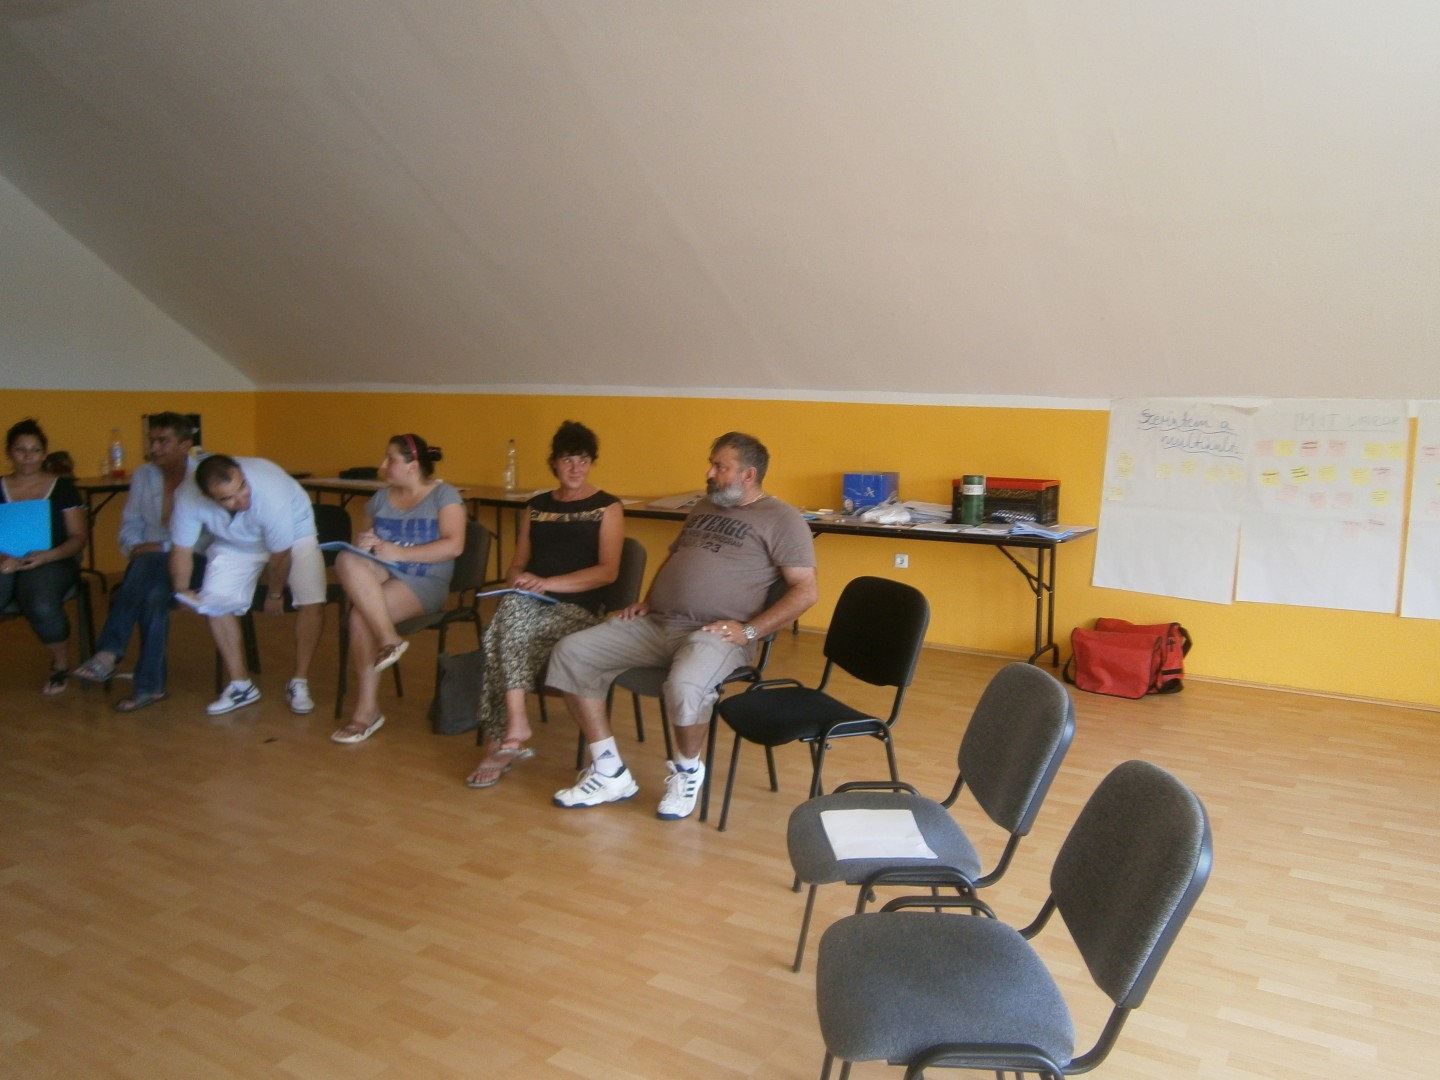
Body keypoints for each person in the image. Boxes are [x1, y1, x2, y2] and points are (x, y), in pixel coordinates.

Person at [546, 431, 818, 820]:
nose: (709, 473)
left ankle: (688, 771)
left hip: (716, 634)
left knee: (686, 686)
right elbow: (676, 558)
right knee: (571, 652)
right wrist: (648, 601)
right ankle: (609, 771)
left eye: (720, 467)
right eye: (711, 464)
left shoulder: (783, 520)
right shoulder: (705, 506)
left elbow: (806, 591)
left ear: (748, 474)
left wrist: (750, 632)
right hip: (657, 622)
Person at [464, 420, 624, 788]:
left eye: (583, 460)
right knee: (511, 614)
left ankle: (501, 741)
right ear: (554, 463)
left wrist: (548, 584)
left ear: (591, 463)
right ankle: (514, 727)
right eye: (568, 460)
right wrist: (518, 582)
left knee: (501, 634)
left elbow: (607, 572)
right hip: (531, 603)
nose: (576, 468)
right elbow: (517, 564)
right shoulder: (536, 507)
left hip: (579, 610)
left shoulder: (607, 507)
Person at [332, 433, 465, 744]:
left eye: (390, 459)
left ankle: (366, 711)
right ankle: (389, 639)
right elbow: (362, 546)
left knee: (359, 617)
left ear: (412, 465)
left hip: (424, 580)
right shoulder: (380, 498)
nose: (383, 465)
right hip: (382, 574)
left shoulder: (443, 495)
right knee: (346, 559)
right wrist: (366, 544)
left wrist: (401, 553)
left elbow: (454, 546)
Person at [170, 454, 325, 716]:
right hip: (235, 541)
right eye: (228, 498)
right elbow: (181, 549)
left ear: (242, 473)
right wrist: (182, 591)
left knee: (313, 598)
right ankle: (241, 685)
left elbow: (281, 554)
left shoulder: (270, 492)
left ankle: (299, 682)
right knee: (213, 601)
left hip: (294, 531)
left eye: (242, 487)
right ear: (207, 497)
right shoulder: (187, 497)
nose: (242, 500)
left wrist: (274, 594)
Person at [71, 413, 201, 711]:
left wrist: (161, 547)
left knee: (147, 569)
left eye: (163, 441)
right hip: (149, 564)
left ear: (185, 445)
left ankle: (109, 653)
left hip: (191, 562)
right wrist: (134, 548)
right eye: (151, 441)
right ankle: (148, 687)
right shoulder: (144, 474)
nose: (154, 448)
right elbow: (130, 523)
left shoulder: (201, 477)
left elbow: (207, 537)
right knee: (153, 595)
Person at [1, 418, 88, 694]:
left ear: (44, 453)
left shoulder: (62, 488)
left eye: (35, 450)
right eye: (20, 449)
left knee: (39, 600)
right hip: (5, 560)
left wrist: (49, 556)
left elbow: (78, 537)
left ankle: (60, 664)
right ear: (9, 453)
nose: (28, 456)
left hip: (53, 560)